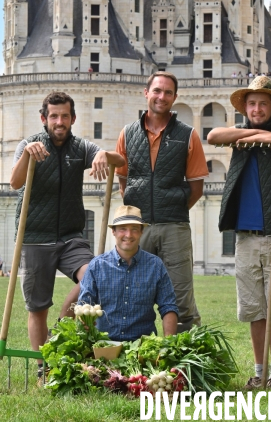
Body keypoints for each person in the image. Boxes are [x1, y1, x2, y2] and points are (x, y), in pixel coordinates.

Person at [10, 91, 125, 375]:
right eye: (54, 116)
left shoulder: (81, 147)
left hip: (72, 236)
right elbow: (14, 182)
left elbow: (120, 161)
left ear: (73, 119)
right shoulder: (29, 145)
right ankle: (43, 369)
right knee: (37, 308)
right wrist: (27, 155)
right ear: (44, 118)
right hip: (35, 236)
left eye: (64, 116)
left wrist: (102, 154)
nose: (59, 121)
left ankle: (65, 315)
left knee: (95, 276)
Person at [207, 76, 271, 391]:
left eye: (263, 103)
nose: (257, 108)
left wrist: (262, 135)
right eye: (252, 103)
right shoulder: (238, 136)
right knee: (254, 308)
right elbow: (213, 134)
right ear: (245, 107)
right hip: (246, 236)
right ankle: (259, 372)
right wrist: (250, 134)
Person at [115, 72, 209, 332]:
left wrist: (173, 207)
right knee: (133, 296)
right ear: (146, 93)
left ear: (175, 98)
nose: (162, 96)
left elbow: (196, 188)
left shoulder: (188, 135)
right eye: (157, 91)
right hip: (138, 227)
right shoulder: (127, 133)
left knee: (181, 299)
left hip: (174, 227)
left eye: (168, 92)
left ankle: (185, 361)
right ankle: (137, 360)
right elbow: (124, 182)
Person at [79, 205, 178, 340]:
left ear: (142, 231)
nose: (128, 235)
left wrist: (169, 343)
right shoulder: (97, 265)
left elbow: (168, 306)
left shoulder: (155, 265)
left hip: (143, 346)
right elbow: (84, 305)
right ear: (113, 231)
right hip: (104, 346)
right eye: (122, 229)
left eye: (134, 229)